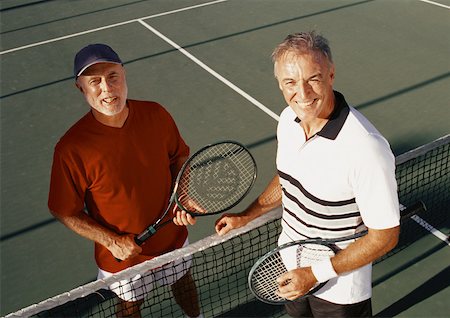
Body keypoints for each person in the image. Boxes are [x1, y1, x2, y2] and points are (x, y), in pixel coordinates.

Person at [215, 31, 400, 317]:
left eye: (313, 79)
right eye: (290, 82)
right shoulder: (288, 121)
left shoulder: (365, 148)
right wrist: (250, 213)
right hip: (291, 266)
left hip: (340, 288)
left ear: (331, 74)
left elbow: (384, 237)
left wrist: (315, 274)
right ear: (279, 83)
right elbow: (288, 177)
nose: (302, 94)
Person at [48, 43, 200, 318]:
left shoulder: (156, 114)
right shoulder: (71, 149)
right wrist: (112, 241)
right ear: (80, 88)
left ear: (123, 74)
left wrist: (183, 195)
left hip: (173, 237)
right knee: (130, 306)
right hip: (122, 259)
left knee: (183, 282)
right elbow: (63, 210)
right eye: (95, 81)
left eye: (112, 76)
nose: (107, 88)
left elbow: (179, 157)